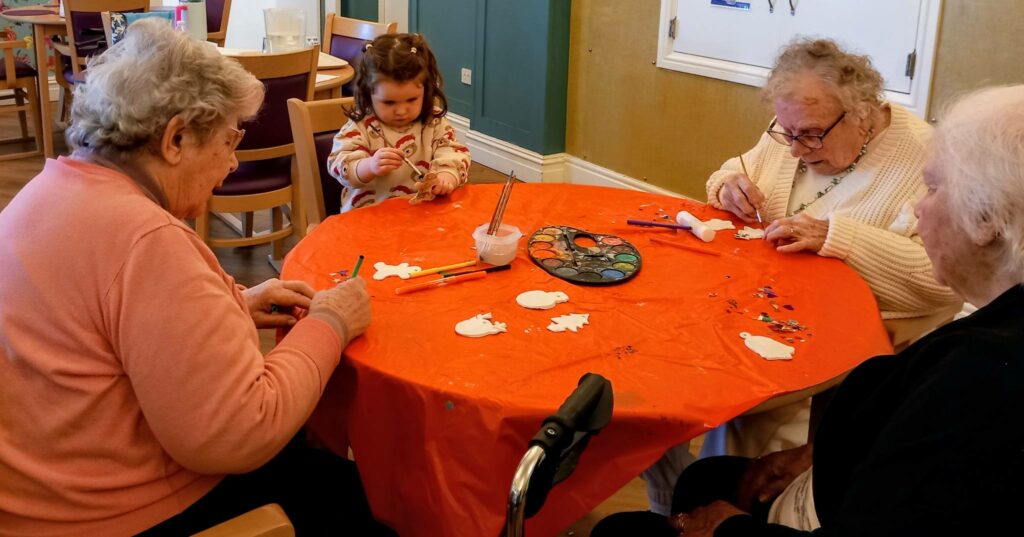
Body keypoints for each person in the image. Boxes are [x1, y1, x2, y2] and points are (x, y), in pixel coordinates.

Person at [0, 20, 393, 535]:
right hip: (117, 514)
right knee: (377, 505)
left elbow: (114, 325)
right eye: (229, 139)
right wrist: (331, 323)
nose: (231, 163)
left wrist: (229, 304)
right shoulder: (146, 240)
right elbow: (243, 431)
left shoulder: (47, 191)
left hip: (43, 494)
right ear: (176, 138)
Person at [595, 84, 1024, 536]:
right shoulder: (995, 330)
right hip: (829, 470)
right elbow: (734, 170)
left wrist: (728, 528)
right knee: (704, 476)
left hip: (818, 506)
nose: (918, 206)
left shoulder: (980, 386)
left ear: (987, 220)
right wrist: (816, 454)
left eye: (934, 188)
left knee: (617, 531)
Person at [642, 38, 963, 514]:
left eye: (810, 135)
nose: (794, 149)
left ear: (862, 113)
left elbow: (940, 279)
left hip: (847, 341)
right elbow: (740, 167)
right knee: (662, 367)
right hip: (759, 303)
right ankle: (675, 499)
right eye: (785, 133)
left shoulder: (922, 158)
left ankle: (725, 505)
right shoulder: (793, 128)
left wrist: (838, 238)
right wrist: (728, 185)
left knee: (730, 408)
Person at [327, 32, 471, 212]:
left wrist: (446, 176)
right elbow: (340, 165)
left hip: (422, 216)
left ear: (425, 91)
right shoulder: (361, 126)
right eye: (389, 102)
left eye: (412, 100)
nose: (402, 111)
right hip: (368, 220)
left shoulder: (433, 122)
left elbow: (453, 152)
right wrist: (369, 166)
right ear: (368, 94)